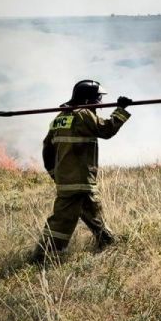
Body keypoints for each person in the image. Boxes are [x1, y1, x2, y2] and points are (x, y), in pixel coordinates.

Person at [31, 80, 133, 264]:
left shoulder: (59, 118)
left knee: (92, 211)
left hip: (70, 179)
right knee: (62, 220)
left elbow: (47, 149)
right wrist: (121, 109)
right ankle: (44, 255)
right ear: (88, 99)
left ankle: (107, 241)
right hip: (79, 179)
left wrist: (56, 174)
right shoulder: (84, 114)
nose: (100, 103)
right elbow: (106, 129)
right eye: (98, 99)